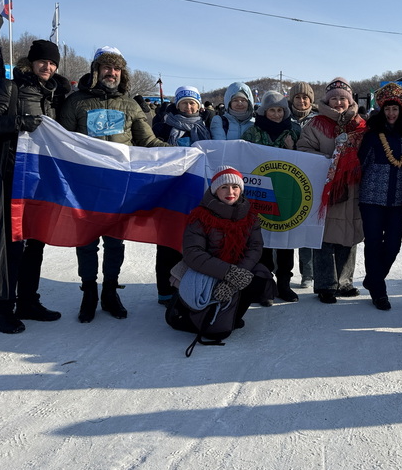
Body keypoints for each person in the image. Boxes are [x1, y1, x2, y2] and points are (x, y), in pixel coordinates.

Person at [0, 10, 71, 333]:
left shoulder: (52, 97)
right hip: (12, 177)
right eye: (42, 61)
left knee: (35, 243)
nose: (47, 67)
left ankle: (28, 300)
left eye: (52, 63)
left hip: (40, 180)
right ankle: (2, 309)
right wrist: (17, 123)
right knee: (11, 245)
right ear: (31, 62)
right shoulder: (9, 88)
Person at [58, 46, 169, 323]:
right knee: (86, 242)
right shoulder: (76, 102)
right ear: (96, 70)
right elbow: (62, 140)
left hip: (119, 186)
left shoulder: (130, 105)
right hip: (86, 186)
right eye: (107, 67)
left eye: (117, 68)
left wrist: (180, 153)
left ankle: (109, 291)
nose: (112, 72)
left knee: (115, 242)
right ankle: (88, 293)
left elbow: (147, 141)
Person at [297, 77, 366, 304]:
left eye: (342, 99)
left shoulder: (360, 124)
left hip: (353, 188)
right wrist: (331, 160)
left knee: (349, 234)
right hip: (326, 187)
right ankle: (326, 284)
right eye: (334, 98)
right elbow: (303, 150)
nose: (338, 102)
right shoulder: (316, 124)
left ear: (350, 101)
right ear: (327, 101)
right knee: (324, 237)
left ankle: (345, 282)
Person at [179, 166, 270, 331]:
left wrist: (236, 277)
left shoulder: (250, 217)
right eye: (224, 187)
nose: (231, 192)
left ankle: (234, 315)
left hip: (236, 269)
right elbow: (193, 253)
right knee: (216, 333)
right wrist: (228, 273)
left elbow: (255, 247)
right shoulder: (200, 216)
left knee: (262, 276)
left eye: (235, 187)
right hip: (207, 272)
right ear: (215, 190)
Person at [151, 85, 212, 305]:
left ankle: (190, 287)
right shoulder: (164, 125)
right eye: (184, 103)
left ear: (198, 105)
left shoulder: (206, 126)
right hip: (170, 191)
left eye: (192, 103)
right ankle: (165, 291)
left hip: (197, 192)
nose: (188, 107)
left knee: (195, 242)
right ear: (177, 105)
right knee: (168, 242)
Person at [357, 83, 402, 311]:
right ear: (381, 110)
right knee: (372, 243)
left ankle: (373, 278)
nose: (391, 113)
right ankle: (379, 292)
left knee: (393, 245)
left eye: (395, 109)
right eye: (387, 109)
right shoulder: (372, 135)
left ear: (401, 111)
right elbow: (360, 164)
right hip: (371, 198)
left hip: (397, 199)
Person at [242, 90, 301, 303]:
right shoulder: (252, 132)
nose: (276, 114)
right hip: (261, 194)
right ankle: (265, 285)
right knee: (262, 240)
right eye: (272, 110)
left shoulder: (293, 132)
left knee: (285, 238)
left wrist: (293, 148)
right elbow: (244, 157)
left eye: (280, 110)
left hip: (286, 192)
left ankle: (284, 284)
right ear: (264, 112)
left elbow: (303, 160)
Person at [288, 81, 317, 288]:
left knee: (307, 225)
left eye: (305, 97)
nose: (301, 101)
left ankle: (308, 272)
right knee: (285, 225)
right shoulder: (282, 118)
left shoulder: (318, 121)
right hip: (287, 179)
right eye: (297, 97)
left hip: (311, 179)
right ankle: (282, 272)